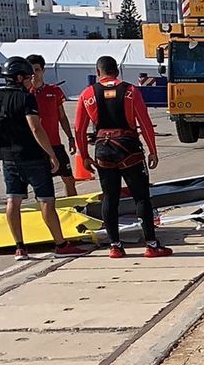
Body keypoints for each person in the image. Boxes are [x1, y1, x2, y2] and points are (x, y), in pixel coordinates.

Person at [0, 57, 85, 260]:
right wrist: (51, 154)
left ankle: (20, 247)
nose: (31, 80)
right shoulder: (26, 98)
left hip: (7, 158)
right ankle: (60, 244)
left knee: (13, 199)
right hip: (33, 157)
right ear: (19, 78)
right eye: (29, 77)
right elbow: (36, 128)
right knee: (46, 200)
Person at [73, 56, 171, 259]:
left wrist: (84, 156)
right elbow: (144, 122)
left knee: (110, 197)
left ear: (97, 72)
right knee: (141, 197)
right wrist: (152, 150)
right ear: (117, 71)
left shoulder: (87, 94)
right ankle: (151, 245)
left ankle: (115, 246)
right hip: (129, 150)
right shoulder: (130, 91)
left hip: (103, 151)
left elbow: (79, 129)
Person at [26, 54, 78, 197]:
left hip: (55, 144)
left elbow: (62, 117)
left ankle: (75, 206)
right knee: (41, 184)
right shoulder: (25, 94)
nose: (34, 74)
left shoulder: (54, 91)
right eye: (31, 71)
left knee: (69, 179)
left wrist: (70, 138)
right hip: (35, 147)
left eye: (37, 70)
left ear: (43, 71)